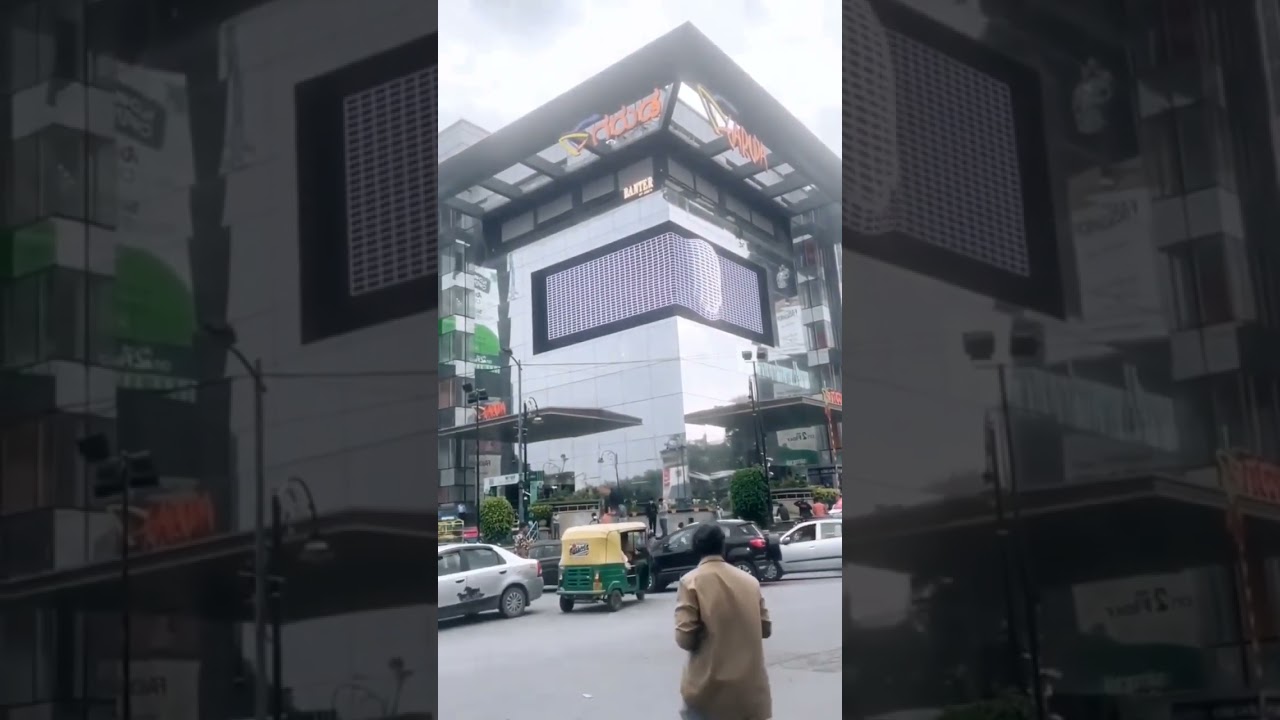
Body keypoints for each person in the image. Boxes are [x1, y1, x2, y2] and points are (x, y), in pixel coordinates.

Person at [674, 524, 772, 720]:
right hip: (749, 692)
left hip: (708, 692)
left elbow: (685, 639)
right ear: (722, 547)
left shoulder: (690, 582)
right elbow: (765, 628)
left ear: (696, 549)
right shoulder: (749, 581)